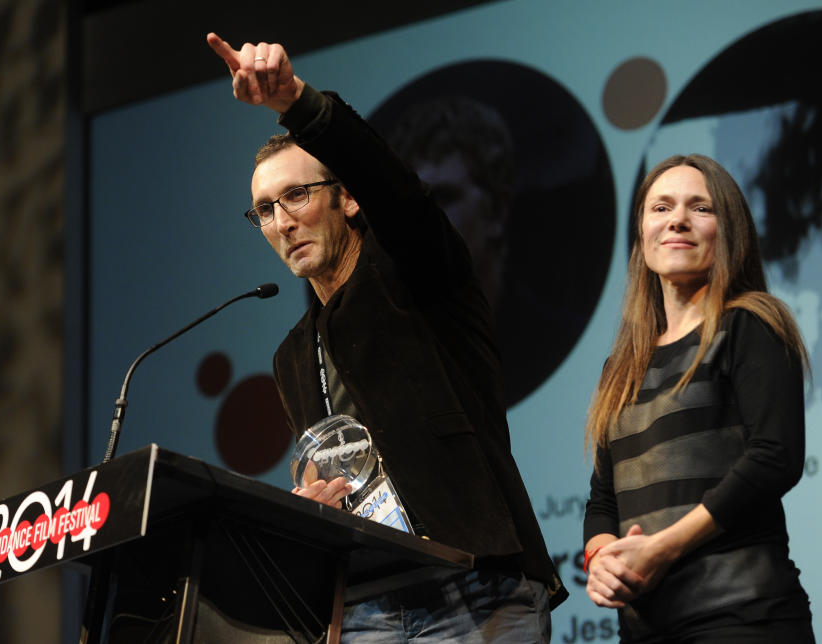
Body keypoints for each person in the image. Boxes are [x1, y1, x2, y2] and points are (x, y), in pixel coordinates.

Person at [208, 33, 566, 642]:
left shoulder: (419, 275)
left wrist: (295, 101)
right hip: (366, 607)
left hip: (474, 591)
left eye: (296, 194)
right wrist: (314, 513)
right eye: (264, 209)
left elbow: (393, 187)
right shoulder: (292, 356)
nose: (281, 220)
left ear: (347, 198)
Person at [582, 154, 814, 642]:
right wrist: (601, 558)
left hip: (743, 617)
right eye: (660, 207)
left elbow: (776, 456)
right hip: (646, 629)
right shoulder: (621, 368)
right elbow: (604, 500)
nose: (677, 220)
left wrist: (662, 549)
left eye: (699, 207)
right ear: (642, 232)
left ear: (727, 229)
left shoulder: (749, 324)